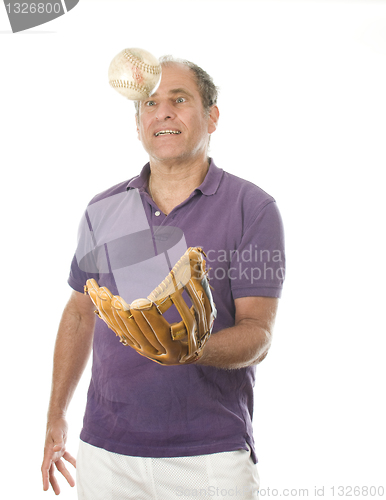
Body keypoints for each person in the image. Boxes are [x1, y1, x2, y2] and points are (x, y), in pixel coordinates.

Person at [41, 55, 285, 499]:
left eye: (179, 99)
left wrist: (192, 350)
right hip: (106, 453)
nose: (163, 112)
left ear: (211, 116)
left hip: (209, 456)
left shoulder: (253, 208)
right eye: (149, 104)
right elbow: (80, 314)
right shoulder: (103, 209)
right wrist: (56, 415)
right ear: (138, 124)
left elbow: (259, 334)